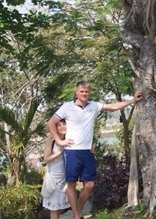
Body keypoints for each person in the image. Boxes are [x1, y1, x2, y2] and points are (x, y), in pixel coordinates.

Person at [47, 80, 143, 219]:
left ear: (89, 92)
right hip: (72, 151)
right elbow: (51, 123)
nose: (84, 94)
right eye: (81, 91)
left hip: (87, 151)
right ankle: (77, 215)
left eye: (86, 92)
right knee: (71, 185)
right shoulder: (67, 107)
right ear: (76, 92)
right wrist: (60, 141)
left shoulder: (94, 106)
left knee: (90, 185)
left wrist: (132, 100)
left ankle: (77, 211)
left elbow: (114, 106)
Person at [42, 119, 70, 219]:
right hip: (53, 179)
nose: (62, 126)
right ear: (55, 127)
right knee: (54, 208)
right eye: (59, 125)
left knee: (60, 207)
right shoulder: (51, 139)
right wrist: (59, 152)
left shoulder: (69, 138)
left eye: (64, 124)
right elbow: (46, 159)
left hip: (65, 179)